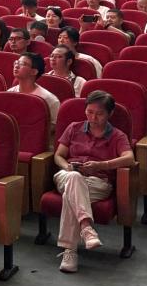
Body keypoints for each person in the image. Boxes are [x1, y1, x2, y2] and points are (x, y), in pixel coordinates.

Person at [51, 90, 134, 273]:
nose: (93, 118)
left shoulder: (117, 135)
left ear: (110, 114)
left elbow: (129, 158)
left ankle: (70, 251)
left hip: (98, 182)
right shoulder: (74, 128)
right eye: (89, 112)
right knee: (74, 178)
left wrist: (101, 165)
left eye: (99, 114)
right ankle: (86, 227)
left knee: (70, 194)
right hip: (67, 175)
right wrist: (67, 166)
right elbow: (58, 156)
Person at [10, 52, 60, 128]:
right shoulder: (10, 93)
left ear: (34, 71)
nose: (16, 66)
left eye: (22, 64)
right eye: (16, 62)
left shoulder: (49, 99)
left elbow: (55, 126)